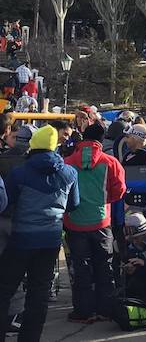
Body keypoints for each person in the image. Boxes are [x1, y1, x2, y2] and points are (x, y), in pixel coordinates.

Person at [0, 125, 79, 342]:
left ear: (33, 145)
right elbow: (73, 204)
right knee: (39, 293)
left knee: (5, 290)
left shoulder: (19, 172)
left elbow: (6, 202)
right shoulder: (69, 173)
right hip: (50, 240)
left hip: (21, 238)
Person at [63, 122, 126, 324]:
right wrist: (104, 201)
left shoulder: (68, 162)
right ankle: (105, 309)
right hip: (101, 222)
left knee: (81, 267)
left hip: (74, 222)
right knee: (105, 266)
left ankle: (83, 311)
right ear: (102, 139)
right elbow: (119, 190)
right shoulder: (111, 162)